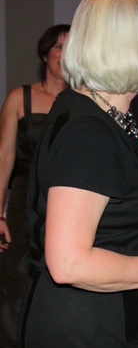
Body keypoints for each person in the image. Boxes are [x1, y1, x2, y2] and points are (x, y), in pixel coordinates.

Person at [21, 0, 138, 347]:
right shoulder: (90, 131)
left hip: (105, 315)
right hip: (88, 327)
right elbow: (68, 262)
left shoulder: (93, 113)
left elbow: (114, 232)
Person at [0, 24, 69, 347]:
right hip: (23, 201)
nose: (64, 55)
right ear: (45, 54)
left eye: (71, 48)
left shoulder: (83, 101)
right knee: (15, 279)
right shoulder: (20, 97)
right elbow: (4, 158)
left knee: (59, 283)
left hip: (67, 203)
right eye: (58, 47)